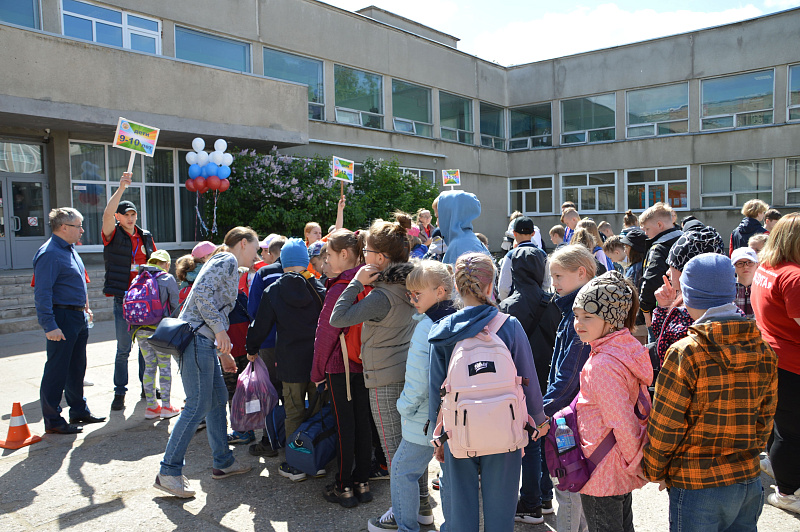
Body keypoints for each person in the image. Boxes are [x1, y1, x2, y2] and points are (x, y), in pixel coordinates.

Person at [644, 253, 778, 529]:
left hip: (696, 482)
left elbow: (667, 423)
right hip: (746, 479)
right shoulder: (762, 347)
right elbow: (765, 418)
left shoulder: (686, 353)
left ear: (689, 297)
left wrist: (654, 469)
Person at [425, 253, 549, 532]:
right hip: (504, 428)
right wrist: (538, 421)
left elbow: (436, 390)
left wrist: (437, 436)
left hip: (458, 430)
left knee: (460, 511)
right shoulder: (510, 326)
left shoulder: (443, 331)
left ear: (456, 286)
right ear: (491, 284)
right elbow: (528, 379)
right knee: (501, 513)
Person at [328, 214, 422, 530]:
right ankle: (421, 508)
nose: (363, 255)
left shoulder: (381, 295)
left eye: (367, 251)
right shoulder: (411, 284)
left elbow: (337, 318)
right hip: (409, 372)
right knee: (412, 448)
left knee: (396, 453)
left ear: (380, 258)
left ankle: (401, 513)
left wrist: (356, 282)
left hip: (383, 378)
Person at [154, 227, 258, 498]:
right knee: (197, 404)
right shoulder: (228, 260)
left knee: (217, 396)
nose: (257, 255)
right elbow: (201, 296)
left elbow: (207, 300)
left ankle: (223, 462)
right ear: (243, 244)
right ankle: (169, 470)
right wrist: (220, 333)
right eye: (256, 248)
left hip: (202, 340)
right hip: (197, 339)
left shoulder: (225, 262)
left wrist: (222, 350)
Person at [571, 271, 651, 532]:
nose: (578, 323)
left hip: (602, 473)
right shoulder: (623, 349)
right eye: (576, 316)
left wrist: (636, 464)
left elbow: (622, 421)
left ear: (611, 319)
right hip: (615, 466)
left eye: (588, 317)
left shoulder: (603, 364)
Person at [381, 260, 457, 532]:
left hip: (425, 416)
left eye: (418, 294)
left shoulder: (426, 327)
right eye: (410, 294)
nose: (413, 300)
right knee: (450, 476)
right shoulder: (460, 317)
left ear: (440, 291)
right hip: (456, 415)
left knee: (403, 471)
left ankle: (407, 528)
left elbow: (417, 378)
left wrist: (404, 406)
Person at [246, 238, 326, 481]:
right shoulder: (319, 288)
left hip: (289, 362)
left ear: (284, 263)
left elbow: (259, 325)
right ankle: (317, 458)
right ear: (305, 262)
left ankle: (295, 464)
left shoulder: (274, 290)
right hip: (317, 363)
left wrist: (252, 348)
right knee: (317, 411)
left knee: (293, 413)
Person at [498, 242, 561, 524]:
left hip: (519, 382)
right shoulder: (554, 303)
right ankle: (546, 498)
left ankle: (531, 502)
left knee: (528, 443)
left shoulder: (506, 308)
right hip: (548, 379)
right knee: (546, 437)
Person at [311, 229, 373, 507]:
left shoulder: (339, 288)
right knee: (363, 426)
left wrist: (317, 373)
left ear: (344, 255)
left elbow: (325, 335)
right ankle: (362, 481)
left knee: (345, 427)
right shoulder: (370, 280)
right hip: (366, 362)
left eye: (329, 255)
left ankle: (343, 486)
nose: (325, 261)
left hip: (341, 366)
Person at [33, 208, 105, 434]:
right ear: (64, 227)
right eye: (78, 226)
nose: (82, 230)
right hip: (61, 317)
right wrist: (50, 324)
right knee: (57, 369)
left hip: (77, 315)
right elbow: (42, 293)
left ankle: (78, 411)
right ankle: (53, 420)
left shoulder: (69, 249)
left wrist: (85, 307)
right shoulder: (50, 253)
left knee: (76, 367)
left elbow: (77, 282)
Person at [751, 213, 800, 514]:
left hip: (772, 356)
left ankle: (776, 467)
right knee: (792, 433)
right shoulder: (793, 275)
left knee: (781, 426)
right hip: (791, 363)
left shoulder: (766, 267)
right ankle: (787, 493)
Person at [544, 245, 596, 532]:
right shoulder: (574, 309)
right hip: (572, 413)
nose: (554, 284)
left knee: (568, 488)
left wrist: (541, 412)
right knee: (578, 488)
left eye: (558, 276)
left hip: (572, 416)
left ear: (581, 272)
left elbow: (568, 379)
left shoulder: (581, 314)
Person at [103, 172, 156, 412]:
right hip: (123, 299)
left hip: (144, 301)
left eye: (134, 214)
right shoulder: (112, 234)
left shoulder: (145, 236)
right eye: (127, 214)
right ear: (118, 217)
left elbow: (157, 263)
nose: (131, 218)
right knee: (123, 349)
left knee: (146, 348)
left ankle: (147, 388)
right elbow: (106, 215)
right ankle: (119, 392)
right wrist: (121, 188)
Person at [650, 224, 725, 367]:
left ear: (689, 271)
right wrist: (664, 307)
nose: (667, 272)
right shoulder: (685, 301)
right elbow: (662, 338)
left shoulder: (695, 312)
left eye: (673, 265)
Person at [246, 235, 287, 457]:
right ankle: (294, 438)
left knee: (269, 392)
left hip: (269, 342)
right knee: (292, 393)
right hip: (295, 344)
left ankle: (269, 441)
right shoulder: (306, 272)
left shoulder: (263, 273)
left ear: (271, 253)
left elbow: (254, 310)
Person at [132, 250, 181, 419]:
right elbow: (175, 305)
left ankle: (151, 407)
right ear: (167, 264)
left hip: (140, 330)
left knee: (149, 366)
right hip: (160, 330)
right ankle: (167, 407)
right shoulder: (167, 278)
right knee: (164, 366)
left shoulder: (138, 278)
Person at [638, 203, 682, 331]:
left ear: (659, 225)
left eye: (647, 229)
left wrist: (645, 311)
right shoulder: (685, 241)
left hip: (660, 311)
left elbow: (650, 281)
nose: (646, 234)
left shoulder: (658, 248)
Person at [435, 191, 489, 264]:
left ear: (451, 216)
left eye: (438, 217)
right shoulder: (467, 239)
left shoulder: (459, 246)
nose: (436, 223)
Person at [498, 216, 538, 301]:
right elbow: (547, 282)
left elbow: (503, 286)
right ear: (533, 233)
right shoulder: (542, 254)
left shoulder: (510, 255)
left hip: (516, 302)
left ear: (514, 233)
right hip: (538, 302)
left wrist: (505, 301)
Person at [732, 247, 759, 319]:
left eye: (750, 262)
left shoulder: (762, 287)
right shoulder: (728, 289)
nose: (746, 266)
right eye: (740, 263)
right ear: (733, 267)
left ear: (757, 265)